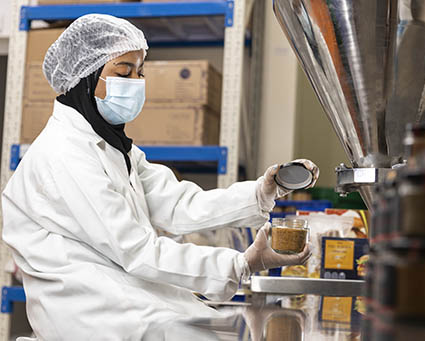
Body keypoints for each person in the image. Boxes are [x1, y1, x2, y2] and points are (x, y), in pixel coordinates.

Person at [2, 14, 319, 340]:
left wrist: (263, 191)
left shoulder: (112, 148)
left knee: (220, 330)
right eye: (124, 72)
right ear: (85, 77)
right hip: (90, 314)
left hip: (127, 298)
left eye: (140, 72)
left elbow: (180, 204)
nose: (136, 82)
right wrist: (243, 264)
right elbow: (137, 250)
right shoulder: (64, 154)